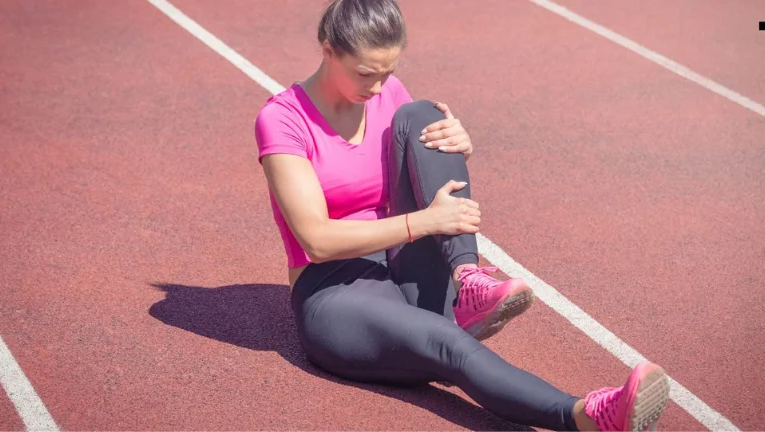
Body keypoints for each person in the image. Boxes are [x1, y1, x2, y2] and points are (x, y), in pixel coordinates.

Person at [254, 0, 670, 430]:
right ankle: (583, 416)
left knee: (424, 117)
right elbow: (315, 241)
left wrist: (458, 146)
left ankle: (467, 278)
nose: (378, 88)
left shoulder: (388, 94)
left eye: (388, 72)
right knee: (447, 344)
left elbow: (418, 167)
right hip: (336, 291)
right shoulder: (282, 120)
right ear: (328, 49)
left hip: (401, 262)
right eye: (365, 73)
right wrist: (426, 222)